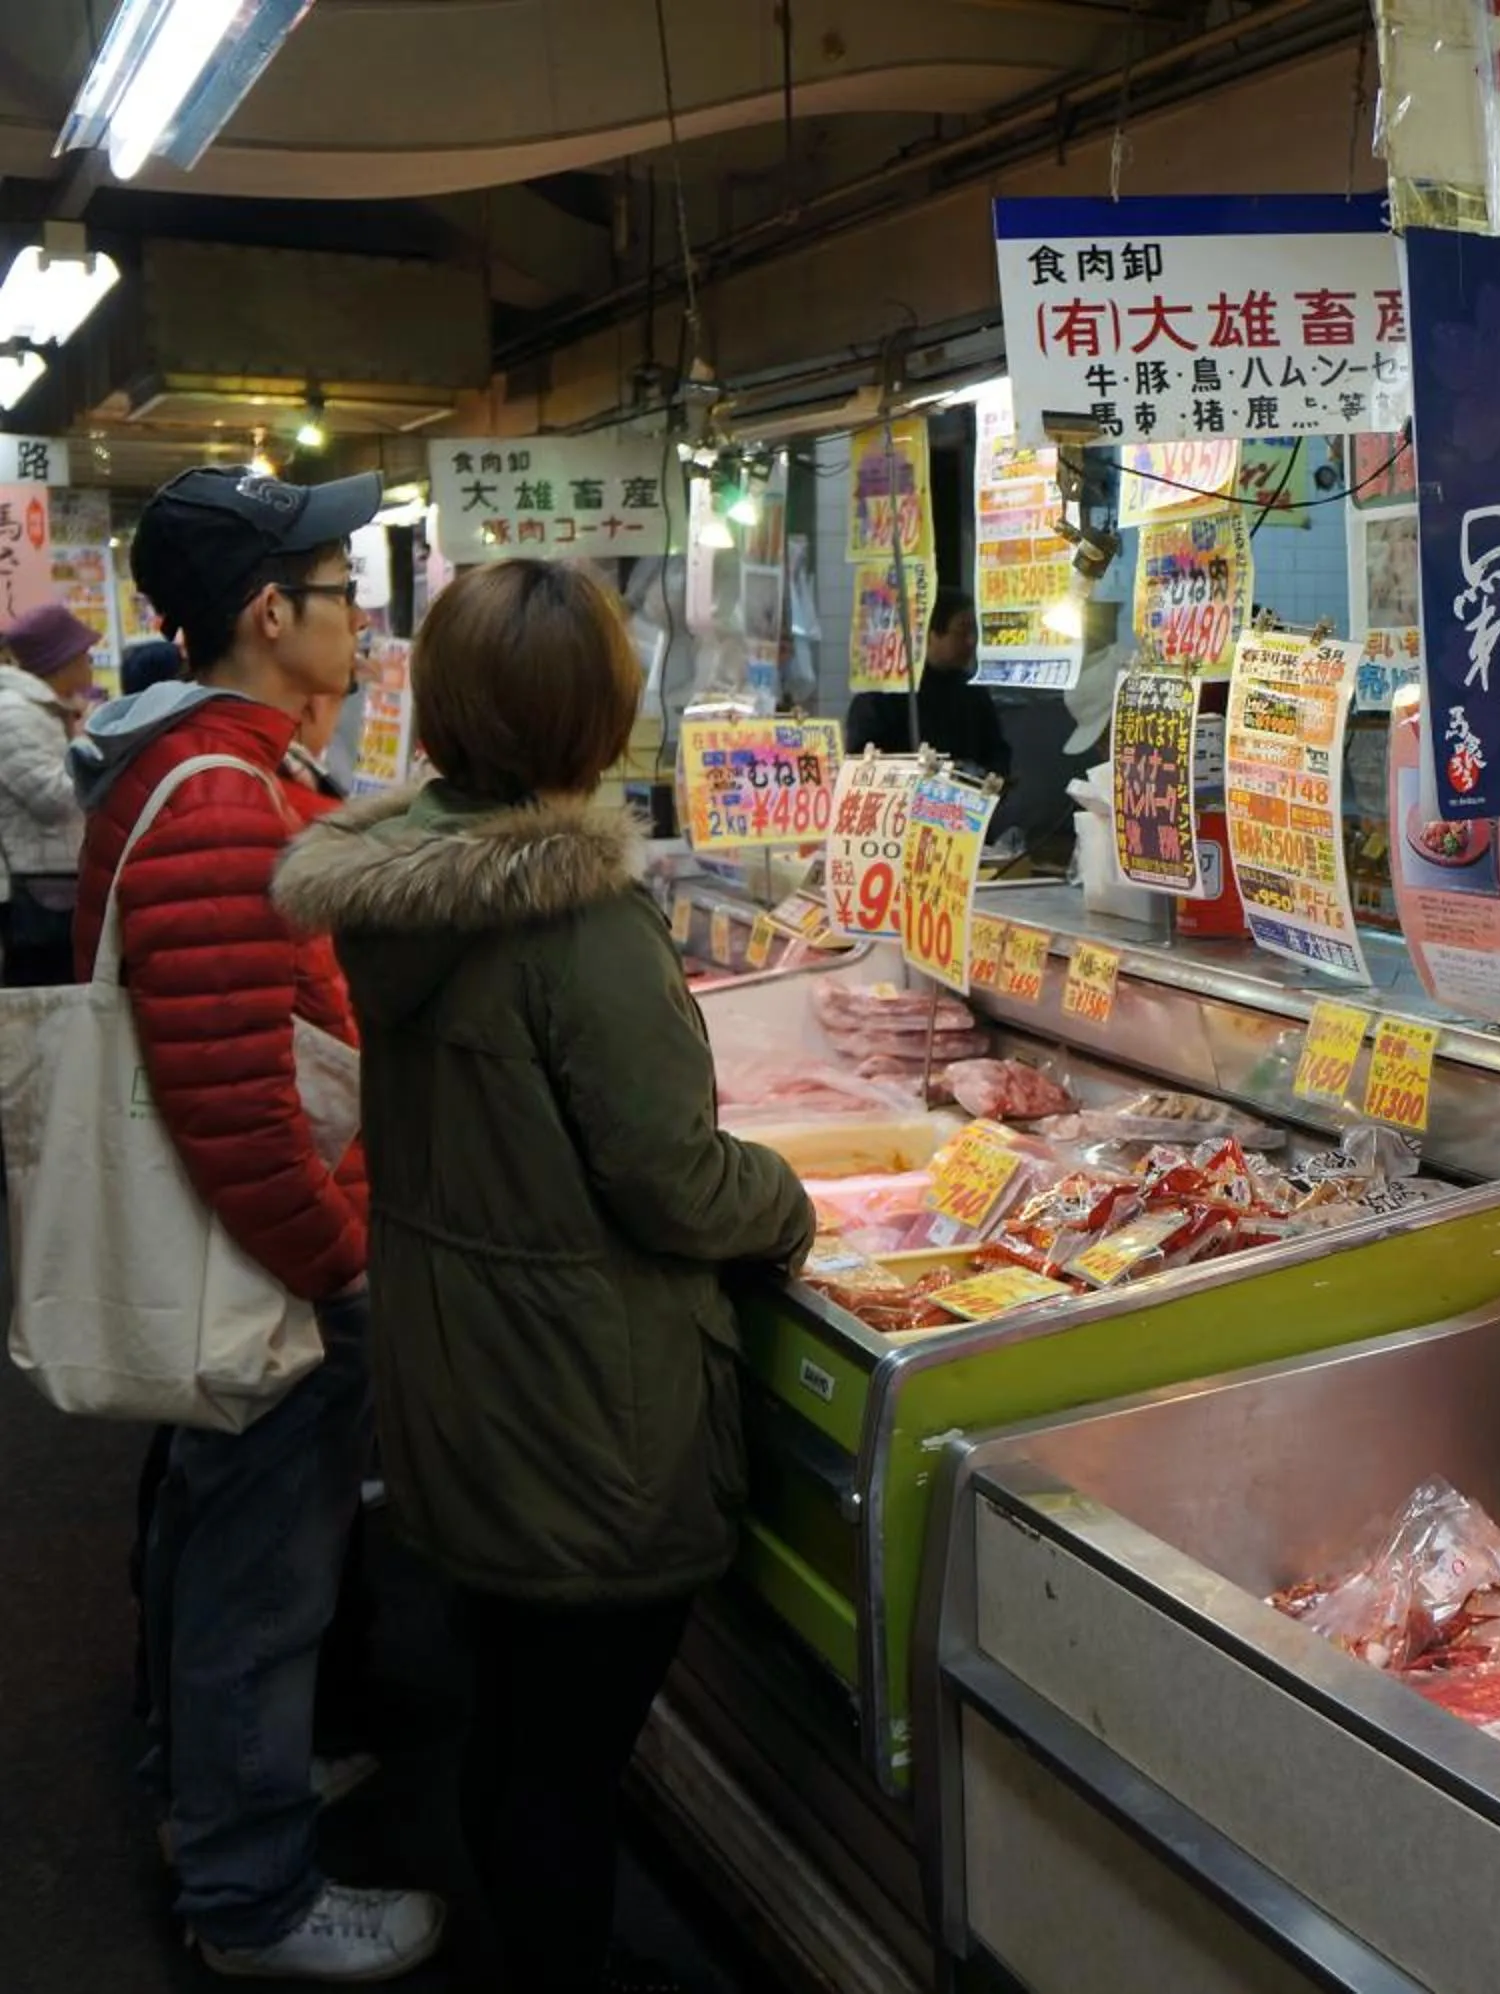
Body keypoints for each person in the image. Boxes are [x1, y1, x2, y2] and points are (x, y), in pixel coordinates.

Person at [274, 558, 814, 1993]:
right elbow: (675, 1178)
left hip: (462, 1373)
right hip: (587, 1405)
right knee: (567, 1758)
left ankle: (532, 1949)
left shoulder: (398, 891)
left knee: (509, 1719)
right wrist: (793, 1198)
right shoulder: (575, 921)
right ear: (600, 719)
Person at [72, 464, 444, 1980]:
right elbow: (239, 1116)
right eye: (341, 585)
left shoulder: (236, 767)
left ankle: (222, 1781)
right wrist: (347, 1271)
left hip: (252, 1263)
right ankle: (252, 1895)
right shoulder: (224, 805)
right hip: (265, 1270)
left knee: (212, 1547)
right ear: (263, 610)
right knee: (259, 1583)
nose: (363, 611)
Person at [0, 602, 95, 985]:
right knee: (45, 1000)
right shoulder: (16, 714)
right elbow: (52, 798)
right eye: (83, 653)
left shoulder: (46, 710)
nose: (90, 661)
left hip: (52, 879)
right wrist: (97, 756)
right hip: (37, 887)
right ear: (63, 659)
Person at [842, 592, 1005, 770]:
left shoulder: (974, 690)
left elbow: (996, 750)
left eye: (974, 632)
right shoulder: (886, 692)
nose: (971, 641)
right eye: (962, 632)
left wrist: (990, 773)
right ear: (931, 634)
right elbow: (863, 758)